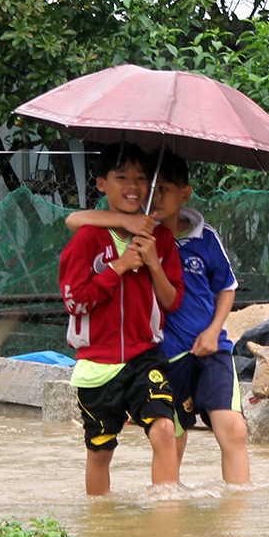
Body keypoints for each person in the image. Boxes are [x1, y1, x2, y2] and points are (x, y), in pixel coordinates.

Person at [67, 152, 250, 486]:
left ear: (185, 193)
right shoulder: (119, 236)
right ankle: (167, 519)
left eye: (161, 188)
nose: (151, 196)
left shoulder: (197, 238)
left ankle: (233, 526)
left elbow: (220, 289)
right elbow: (75, 222)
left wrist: (213, 331)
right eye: (149, 189)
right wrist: (126, 244)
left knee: (230, 430)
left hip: (200, 349)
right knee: (165, 438)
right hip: (165, 354)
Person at [58, 148, 184, 496]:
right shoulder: (86, 239)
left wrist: (153, 263)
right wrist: (120, 267)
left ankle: (167, 519)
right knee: (101, 451)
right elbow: (75, 302)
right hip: (97, 364)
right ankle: (101, 527)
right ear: (102, 183)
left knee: (163, 429)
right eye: (122, 177)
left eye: (141, 178)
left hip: (146, 356)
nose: (133, 186)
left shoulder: (162, 239)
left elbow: (172, 301)